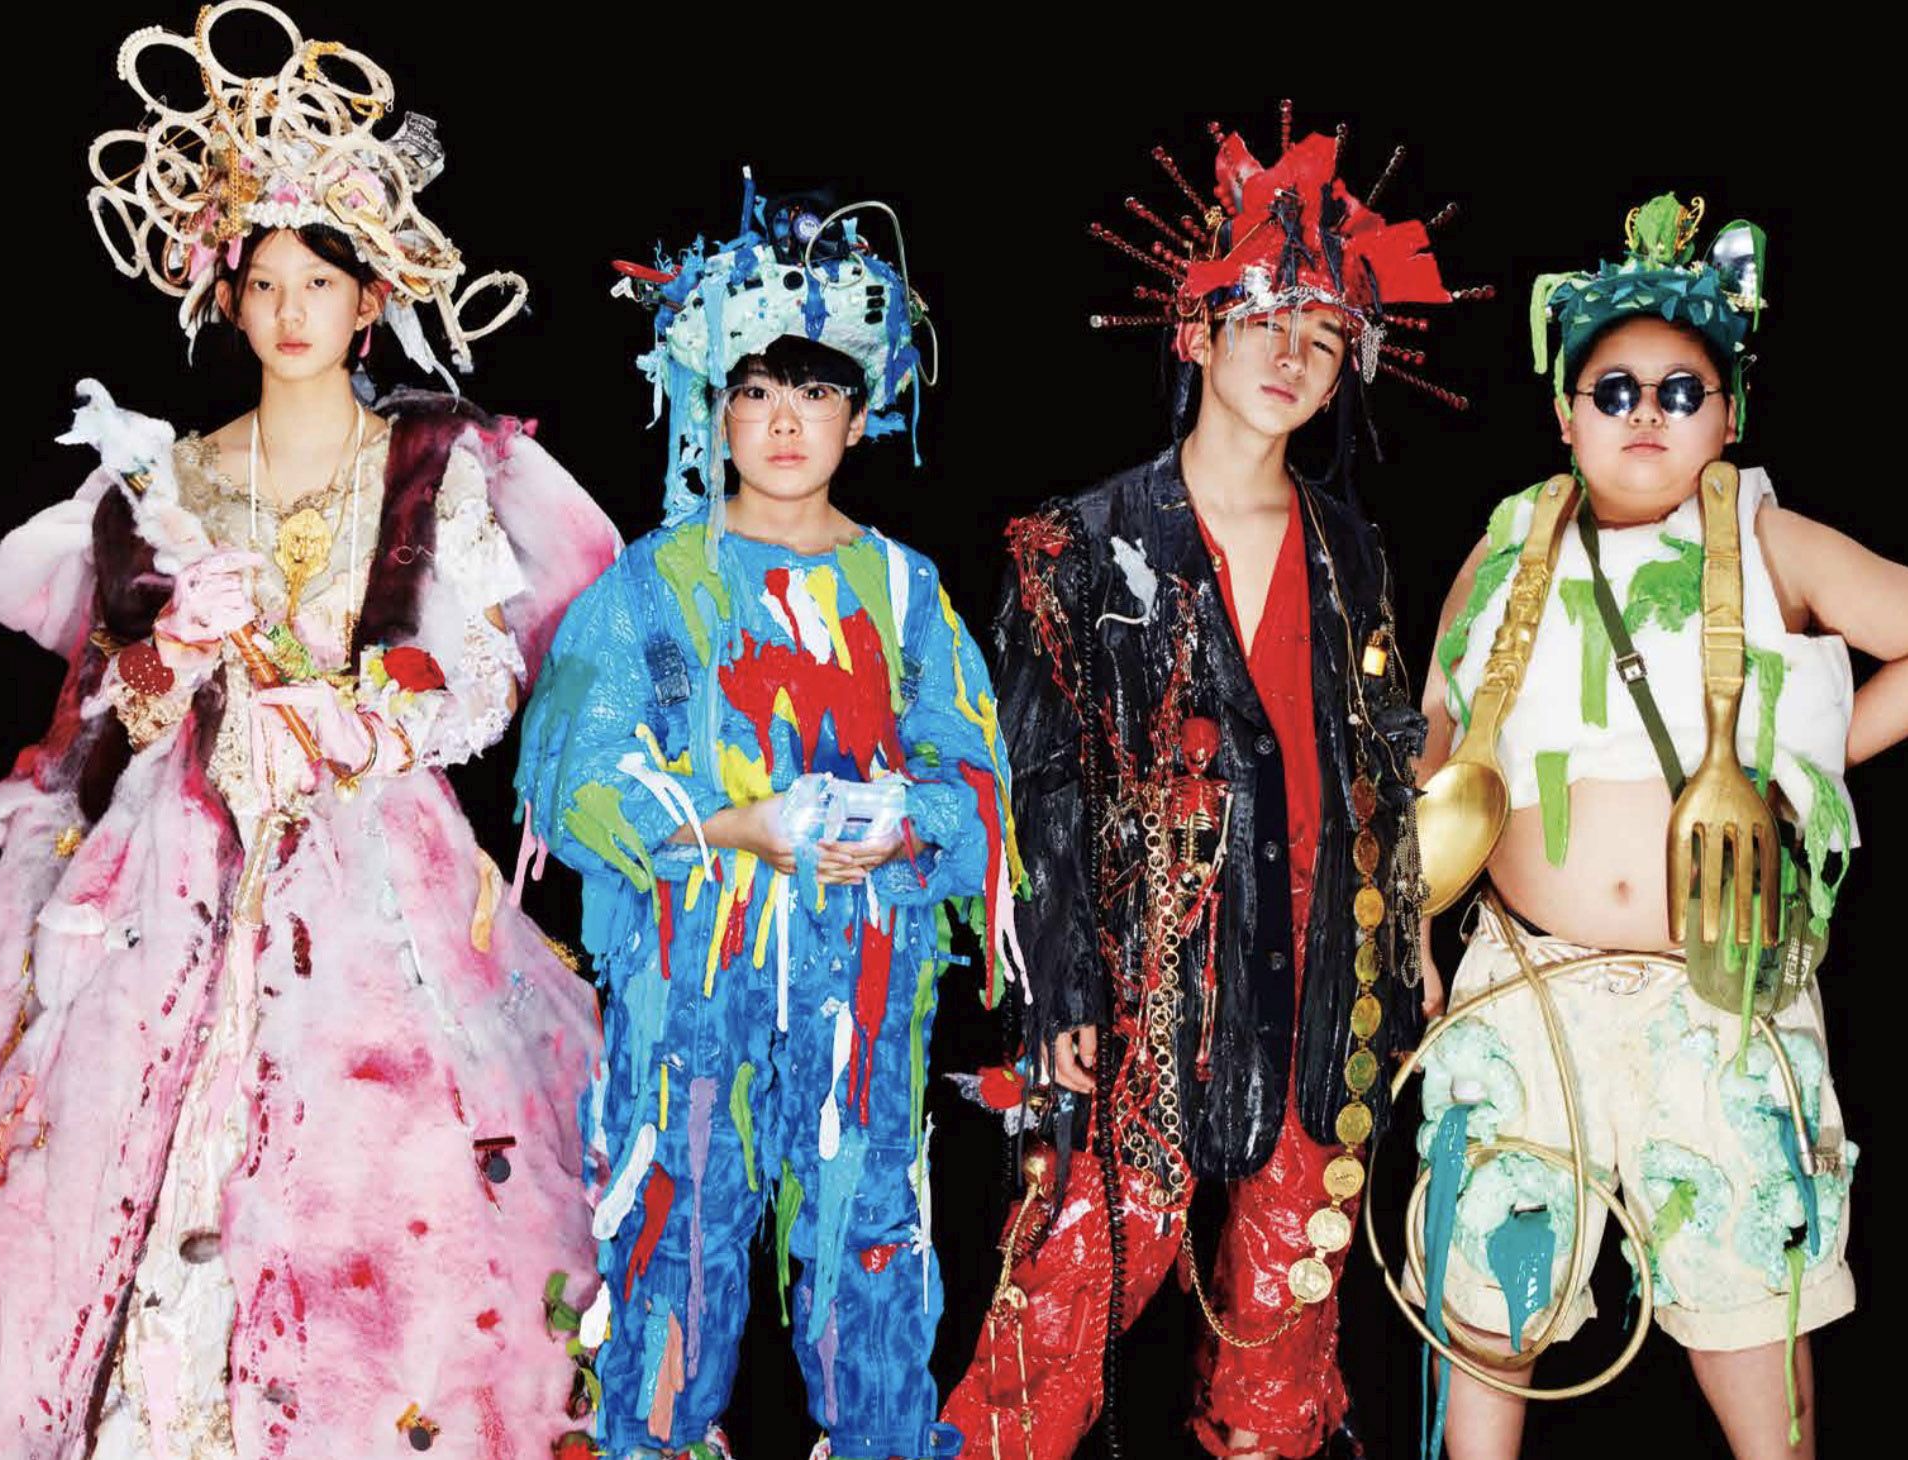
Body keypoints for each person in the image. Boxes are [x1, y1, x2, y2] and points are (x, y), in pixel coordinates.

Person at [0, 6, 620, 1455]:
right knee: (104, 1153)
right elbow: (113, 707)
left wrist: (358, 726)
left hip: (377, 867)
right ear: (226, 297)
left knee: (382, 1164)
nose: (292, 309)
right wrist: (169, 655)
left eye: (321, 282)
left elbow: (480, 678)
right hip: (175, 859)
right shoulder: (162, 480)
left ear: (369, 302)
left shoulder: (436, 466)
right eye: (266, 282)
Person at [941, 109, 1472, 1459]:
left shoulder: (1352, 546)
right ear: (1193, 332)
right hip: (1146, 978)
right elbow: (1038, 787)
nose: (1291, 355)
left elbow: (1377, 766)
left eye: (1325, 337)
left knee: (1285, 1323)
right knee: (1060, 1303)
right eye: (1263, 321)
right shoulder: (1079, 545)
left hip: (1320, 975)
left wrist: (1406, 941)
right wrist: (1060, 990)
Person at [515, 178, 1020, 1460]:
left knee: (869, 1239)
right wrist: (732, 826)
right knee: (672, 1234)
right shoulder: (653, 584)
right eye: (755, 391)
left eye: (815, 391)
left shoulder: (903, 590)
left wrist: (900, 822)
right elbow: (571, 773)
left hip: (863, 991)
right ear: (714, 404)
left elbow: (974, 778)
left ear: (862, 410)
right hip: (688, 982)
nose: (785, 421)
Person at [1407, 192, 1905, 1459]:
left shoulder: (1767, 538)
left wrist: (1810, 757)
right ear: (1564, 413)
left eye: (1679, 391)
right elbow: (1431, 740)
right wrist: (1406, 932)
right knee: (1484, 1308)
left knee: (1749, 1310)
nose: (1643, 413)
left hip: (1720, 993)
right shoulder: (1506, 543)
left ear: (1726, 414)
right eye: (1613, 389)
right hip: (1521, 982)